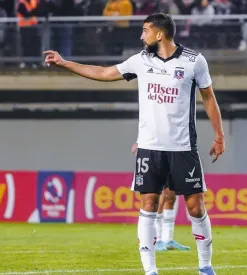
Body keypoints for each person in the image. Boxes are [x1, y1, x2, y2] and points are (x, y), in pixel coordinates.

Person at [43, 13, 225, 275]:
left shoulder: (194, 62)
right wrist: (65, 63)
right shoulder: (140, 61)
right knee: (149, 203)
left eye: (145, 31)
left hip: (184, 148)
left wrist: (219, 135)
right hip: (149, 148)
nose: (142, 36)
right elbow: (104, 73)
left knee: (196, 207)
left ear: (159, 34)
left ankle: (205, 266)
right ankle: (150, 270)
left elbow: (208, 97)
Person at [131, 142, 191, 252]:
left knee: (171, 197)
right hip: (158, 152)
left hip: (173, 153)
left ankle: (168, 239)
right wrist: (140, 142)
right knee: (161, 196)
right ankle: (157, 239)